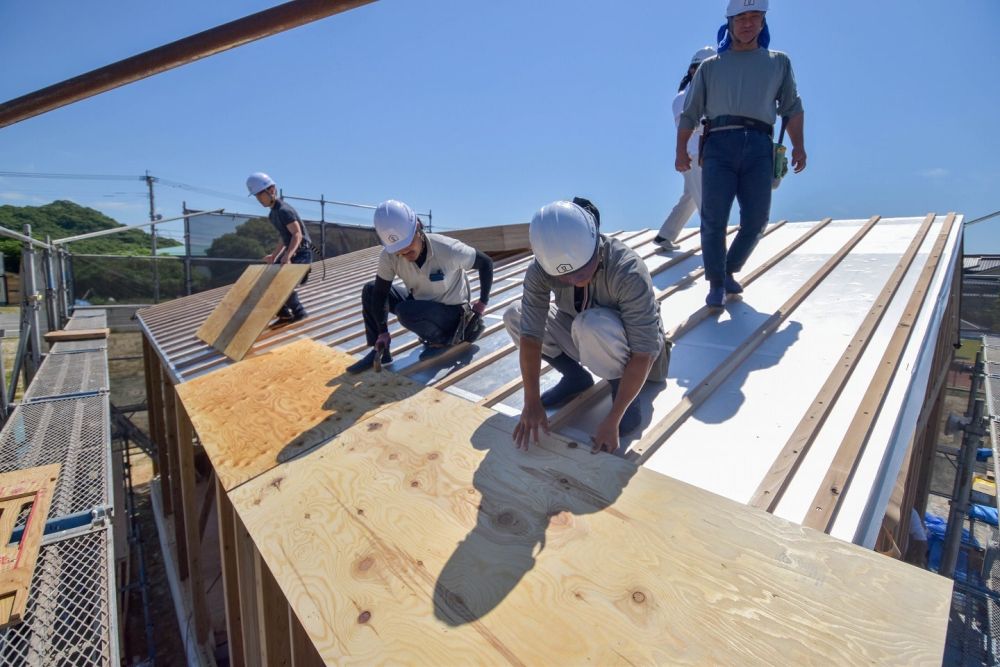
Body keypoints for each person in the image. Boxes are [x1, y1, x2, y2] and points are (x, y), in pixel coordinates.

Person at [504, 200, 670, 455]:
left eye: (582, 271)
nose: (574, 281)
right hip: (586, 334)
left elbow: (643, 353)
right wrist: (531, 401)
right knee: (515, 314)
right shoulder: (541, 270)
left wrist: (613, 419)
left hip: (637, 357)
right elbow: (530, 336)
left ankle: (622, 394)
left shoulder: (627, 270)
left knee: (590, 324)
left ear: (596, 248)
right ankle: (575, 377)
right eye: (566, 277)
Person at [677, 0, 806, 308]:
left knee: (757, 219)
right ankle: (717, 282)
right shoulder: (710, 67)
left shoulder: (779, 63)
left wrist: (799, 146)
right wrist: (680, 151)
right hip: (720, 142)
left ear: (762, 23)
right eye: (741, 18)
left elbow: (792, 107)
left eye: (754, 18)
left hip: (760, 145)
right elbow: (690, 113)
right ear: (730, 23)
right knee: (714, 217)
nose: (748, 24)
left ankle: (729, 268)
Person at [346, 199, 494, 373]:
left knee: (405, 310)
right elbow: (380, 294)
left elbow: (486, 263)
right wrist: (382, 332)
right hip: (419, 303)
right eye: (399, 251)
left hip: (451, 313)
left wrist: (482, 304)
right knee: (371, 290)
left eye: (408, 248)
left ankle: (443, 340)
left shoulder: (447, 248)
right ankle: (380, 351)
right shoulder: (390, 255)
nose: (405, 255)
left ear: (418, 228)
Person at [654, 45, 716, 252]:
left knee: (690, 197)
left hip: (701, 153)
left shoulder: (703, 94)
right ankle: (716, 250)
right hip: (695, 155)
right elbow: (694, 124)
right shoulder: (683, 98)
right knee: (708, 205)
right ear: (693, 70)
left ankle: (665, 235)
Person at [246, 172, 312, 325]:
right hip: (292, 252)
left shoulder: (284, 210)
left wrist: (287, 256)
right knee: (268, 279)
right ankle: (284, 314)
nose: (259, 199)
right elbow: (284, 237)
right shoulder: (273, 214)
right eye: (256, 196)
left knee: (283, 280)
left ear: (271, 190)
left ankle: (300, 313)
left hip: (302, 253)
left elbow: (297, 234)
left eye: (260, 195)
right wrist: (274, 256)